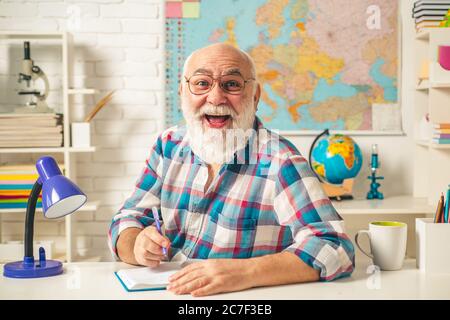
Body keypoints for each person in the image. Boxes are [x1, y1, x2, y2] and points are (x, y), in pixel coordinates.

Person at [108, 43, 355, 297]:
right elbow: (126, 218)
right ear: (182, 91)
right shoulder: (168, 145)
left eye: (232, 84)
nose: (215, 98)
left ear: (255, 96)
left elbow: (334, 247)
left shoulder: (281, 161)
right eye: (202, 83)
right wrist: (136, 243)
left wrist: (245, 272)